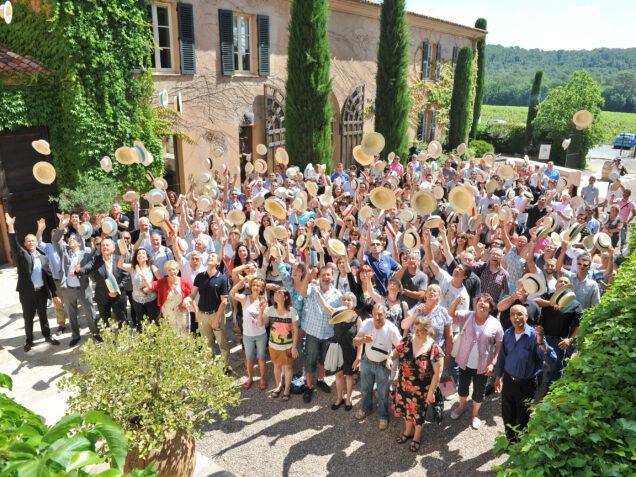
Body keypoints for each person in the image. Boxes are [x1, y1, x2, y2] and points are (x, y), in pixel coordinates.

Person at [494, 304, 556, 443]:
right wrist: (498, 376)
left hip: (526, 384)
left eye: (520, 314)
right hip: (509, 381)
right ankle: (510, 441)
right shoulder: (509, 333)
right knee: (507, 414)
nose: (516, 318)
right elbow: (503, 357)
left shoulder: (535, 336)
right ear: (509, 317)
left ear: (526, 317)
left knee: (522, 417)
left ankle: (520, 444)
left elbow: (551, 359)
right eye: (513, 314)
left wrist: (541, 342)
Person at [6, 214, 62, 352]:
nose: (31, 243)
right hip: (27, 293)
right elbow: (14, 244)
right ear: (25, 244)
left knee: (43, 316)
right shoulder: (22, 255)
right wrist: (10, 226)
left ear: (37, 243)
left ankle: (47, 336)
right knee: (28, 317)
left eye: (33, 241)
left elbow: (49, 278)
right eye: (28, 241)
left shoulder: (43, 257)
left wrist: (55, 295)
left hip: (41, 292)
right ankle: (29, 340)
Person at [448, 293, 503, 430]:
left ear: (490, 308)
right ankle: (461, 407)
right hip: (464, 362)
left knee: (478, 391)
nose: (482, 303)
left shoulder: (495, 324)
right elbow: (451, 314)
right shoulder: (467, 315)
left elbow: (499, 348)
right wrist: (455, 302)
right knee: (462, 388)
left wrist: (493, 363)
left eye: (486, 302)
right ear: (476, 304)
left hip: (483, 366)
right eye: (480, 301)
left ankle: (475, 414)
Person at [392, 316, 444, 452]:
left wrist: (431, 392)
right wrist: (389, 359)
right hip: (403, 384)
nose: (417, 332)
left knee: (418, 414)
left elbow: (438, 374)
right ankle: (408, 431)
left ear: (428, 331)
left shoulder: (434, 348)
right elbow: (395, 352)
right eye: (415, 329)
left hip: (422, 390)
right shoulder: (407, 340)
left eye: (420, 330)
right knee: (405, 410)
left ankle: (417, 436)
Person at [354, 304, 402, 430]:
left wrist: (390, 358)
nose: (377, 317)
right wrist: (361, 340)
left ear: (385, 315)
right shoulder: (367, 323)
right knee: (365, 389)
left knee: (383, 393)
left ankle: (383, 416)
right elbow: (355, 340)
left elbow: (400, 347)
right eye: (375, 314)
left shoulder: (391, 329)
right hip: (367, 361)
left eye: (380, 314)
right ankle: (366, 408)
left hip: (382, 365)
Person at [52, 223, 100, 345]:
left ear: (79, 243)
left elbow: (91, 265)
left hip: (82, 287)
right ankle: (75, 336)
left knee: (90, 311)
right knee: (71, 313)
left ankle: (95, 333)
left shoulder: (86, 254)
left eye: (74, 239)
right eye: (69, 239)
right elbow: (55, 240)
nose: (70, 240)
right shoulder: (64, 252)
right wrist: (61, 227)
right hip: (68, 289)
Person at [299, 266, 342, 403]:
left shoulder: (338, 295)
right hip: (312, 332)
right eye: (323, 274)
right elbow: (302, 292)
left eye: (328, 275)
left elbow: (332, 312)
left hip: (328, 333)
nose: (326, 277)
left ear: (332, 277)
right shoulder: (311, 288)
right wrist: (308, 276)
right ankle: (309, 386)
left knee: (323, 359)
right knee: (310, 359)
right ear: (319, 276)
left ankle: (321, 380)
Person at [314, 291, 361, 411]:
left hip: (350, 351)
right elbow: (325, 306)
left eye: (349, 300)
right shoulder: (337, 314)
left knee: (349, 376)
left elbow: (359, 340)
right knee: (338, 375)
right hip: (337, 349)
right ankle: (340, 398)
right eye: (344, 299)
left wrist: (358, 358)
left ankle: (349, 399)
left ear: (353, 303)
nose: (346, 301)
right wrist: (317, 292)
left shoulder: (357, 319)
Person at [534, 277, 581, 390]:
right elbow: (535, 302)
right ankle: (536, 384)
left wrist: (570, 340)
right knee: (538, 362)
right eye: (560, 281)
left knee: (556, 368)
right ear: (556, 285)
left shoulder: (574, 304)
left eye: (566, 282)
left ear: (569, 288)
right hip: (542, 338)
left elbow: (580, 325)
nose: (562, 283)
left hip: (559, 341)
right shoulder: (548, 296)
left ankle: (550, 391)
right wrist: (551, 303)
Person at [190, 253, 231, 369]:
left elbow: (224, 302)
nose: (210, 257)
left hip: (216, 314)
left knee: (222, 343)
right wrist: (189, 298)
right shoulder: (200, 276)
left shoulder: (222, 278)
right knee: (207, 344)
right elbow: (193, 294)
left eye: (213, 257)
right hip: (203, 314)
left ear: (218, 263)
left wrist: (217, 320)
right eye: (209, 256)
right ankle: (210, 367)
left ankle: (225, 367)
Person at [77, 238, 129, 328]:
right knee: (105, 321)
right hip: (102, 296)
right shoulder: (96, 260)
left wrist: (116, 290)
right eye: (103, 245)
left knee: (122, 320)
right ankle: (110, 340)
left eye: (107, 245)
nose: (104, 247)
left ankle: (123, 339)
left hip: (118, 295)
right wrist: (78, 270)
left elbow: (126, 276)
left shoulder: (119, 259)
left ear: (113, 248)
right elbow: (87, 268)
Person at [231, 277, 269, 390]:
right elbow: (232, 293)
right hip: (247, 335)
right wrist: (241, 283)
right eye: (254, 285)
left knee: (261, 358)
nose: (256, 287)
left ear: (262, 289)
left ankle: (262, 379)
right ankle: (250, 378)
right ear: (251, 286)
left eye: (259, 286)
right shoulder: (245, 298)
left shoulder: (264, 301)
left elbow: (265, 323)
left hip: (261, 334)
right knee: (249, 358)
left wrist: (262, 310)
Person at [263, 288, 299, 402]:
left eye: (280, 293)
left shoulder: (292, 311)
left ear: (286, 297)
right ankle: (278, 386)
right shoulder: (269, 310)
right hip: (273, 345)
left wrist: (294, 348)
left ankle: (287, 389)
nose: (276, 295)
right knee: (277, 366)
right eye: (275, 293)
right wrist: (261, 310)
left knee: (288, 367)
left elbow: (295, 331)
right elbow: (263, 324)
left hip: (287, 346)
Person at [117, 248, 162, 330]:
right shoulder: (132, 267)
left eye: (143, 253)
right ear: (136, 257)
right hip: (137, 301)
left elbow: (161, 282)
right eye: (139, 253)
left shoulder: (152, 268)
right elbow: (120, 265)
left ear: (147, 257)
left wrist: (151, 287)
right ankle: (143, 341)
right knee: (141, 324)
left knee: (154, 323)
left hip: (151, 300)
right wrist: (123, 255)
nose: (141, 255)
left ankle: (155, 342)